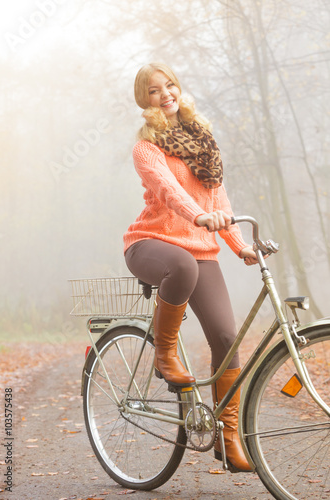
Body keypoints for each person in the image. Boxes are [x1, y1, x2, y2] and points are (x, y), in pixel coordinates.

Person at [123, 62, 257, 473]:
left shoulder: (203, 140)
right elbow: (168, 189)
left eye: (170, 85)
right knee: (181, 266)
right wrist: (197, 216)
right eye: (153, 90)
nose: (165, 94)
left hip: (201, 248)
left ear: (179, 88)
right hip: (152, 243)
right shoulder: (146, 147)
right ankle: (165, 354)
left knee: (226, 336)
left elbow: (220, 201)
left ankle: (228, 436)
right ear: (144, 101)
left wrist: (240, 246)